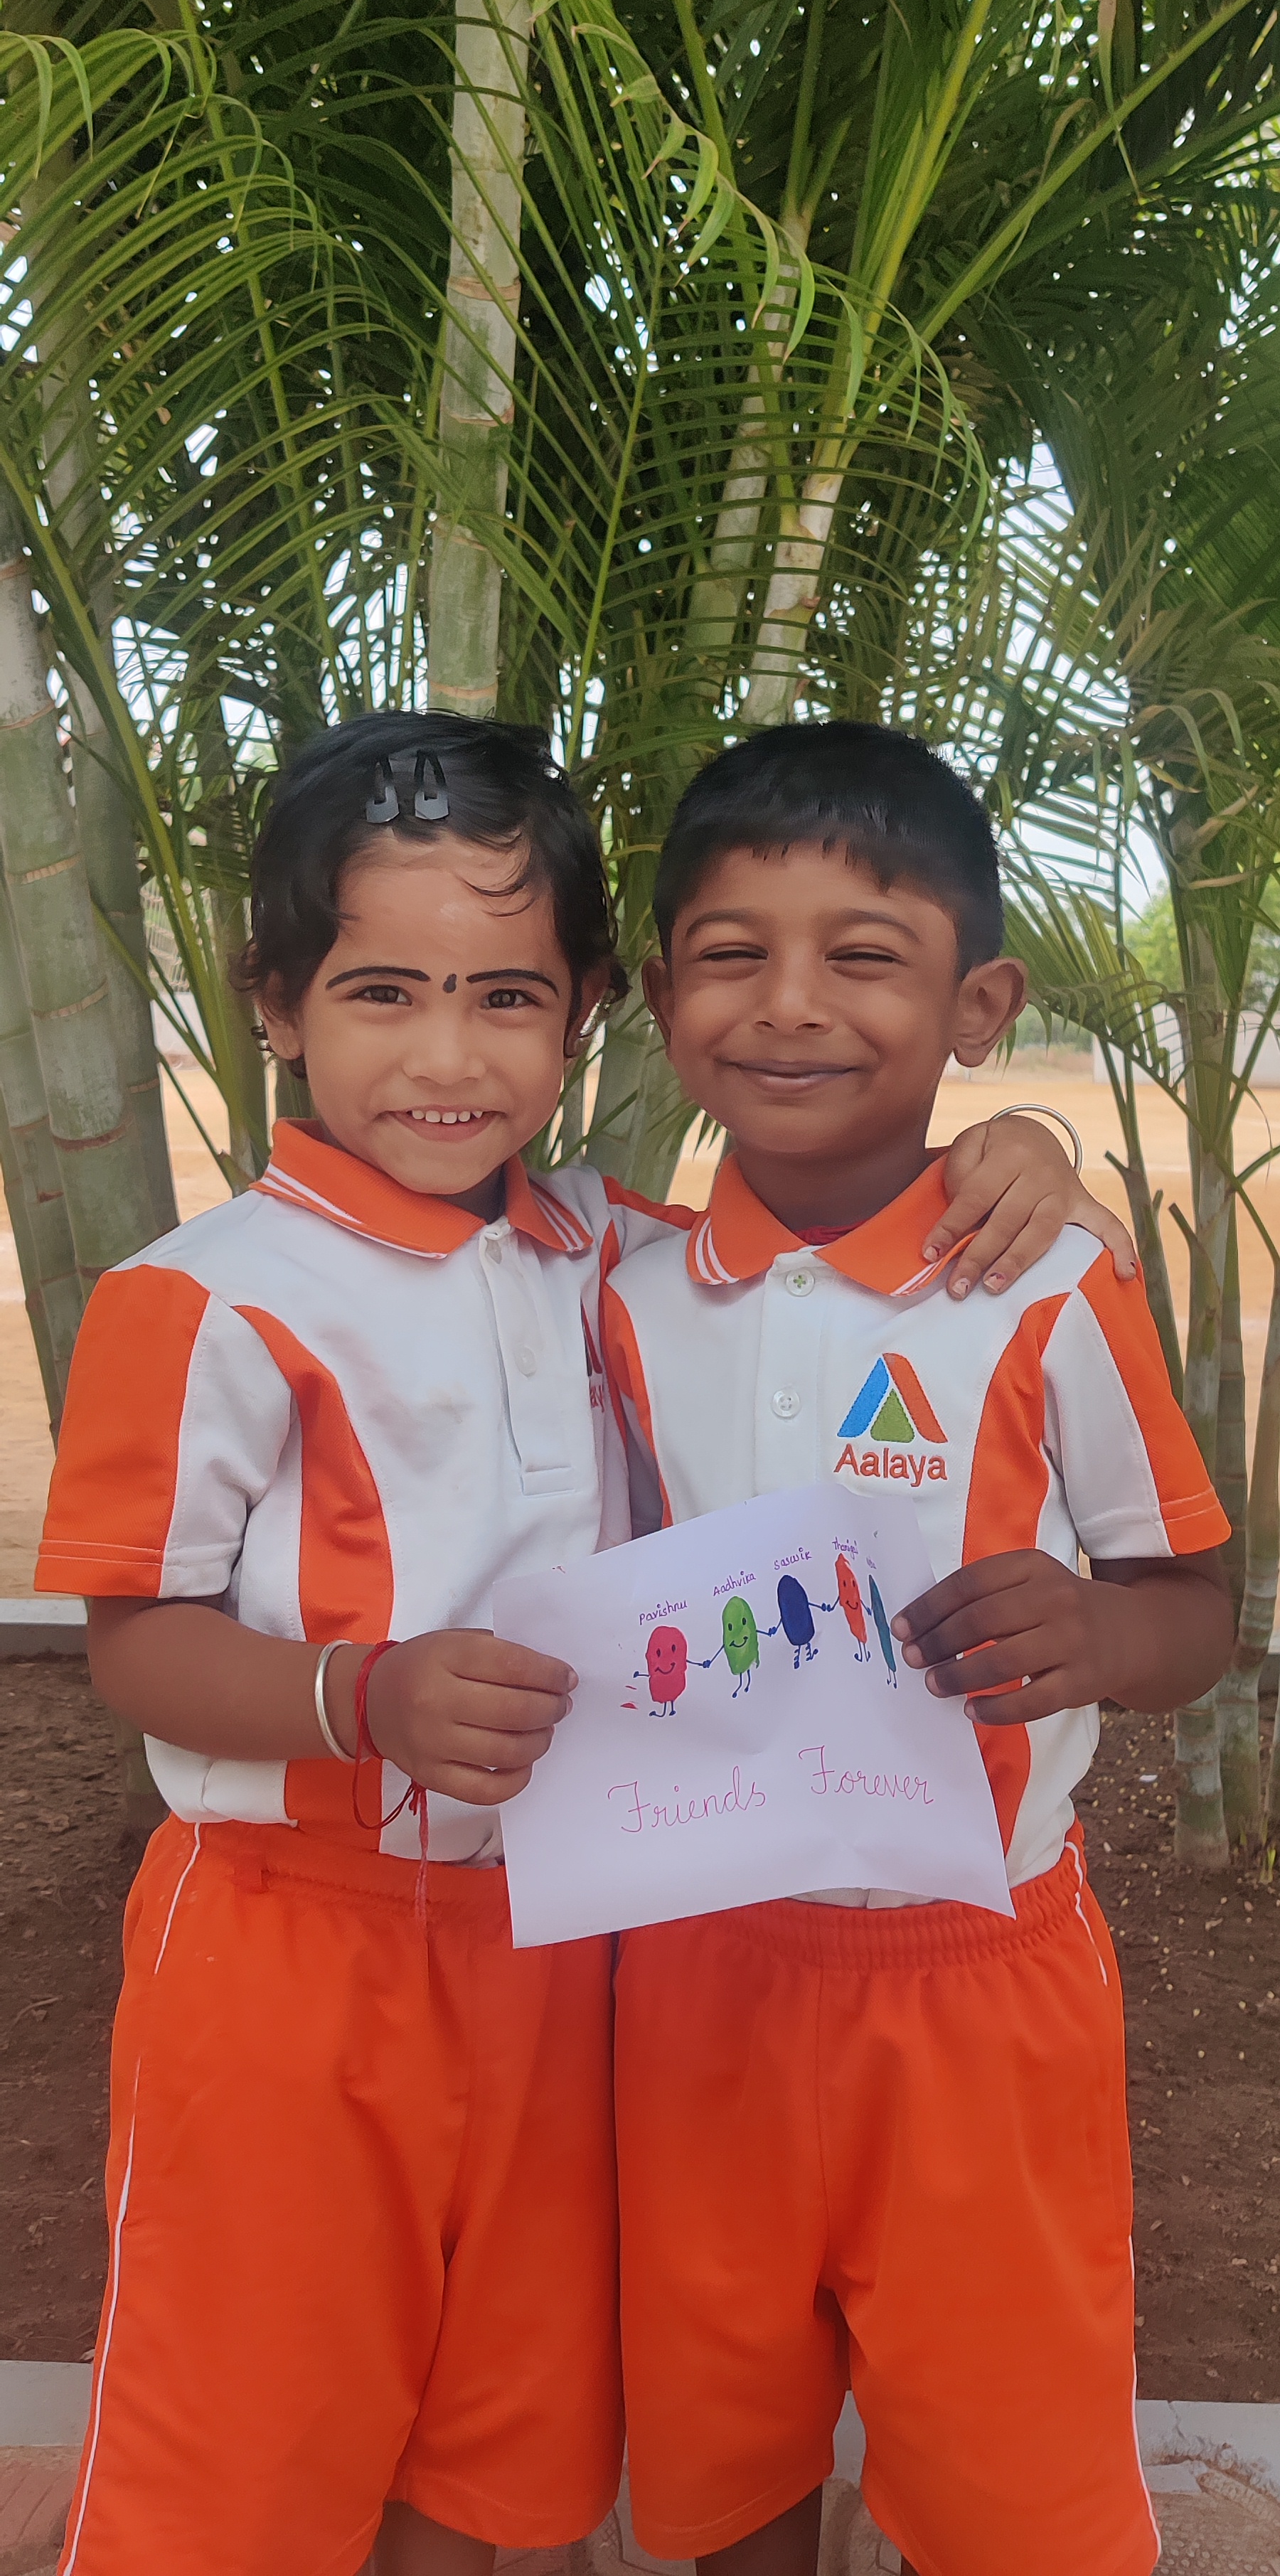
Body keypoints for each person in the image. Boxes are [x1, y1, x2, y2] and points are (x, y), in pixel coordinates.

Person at [37, 708, 1126, 2576]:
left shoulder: (607, 1249)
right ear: (278, 1002)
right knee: (240, 2441)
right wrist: (357, 1696)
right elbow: (133, 1641)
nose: (448, 1056)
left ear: (588, 1010)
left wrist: (1019, 1143)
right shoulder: (199, 1299)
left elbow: (821, 1233)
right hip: (291, 1962)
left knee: (496, 2453)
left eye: (508, 999)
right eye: (382, 993)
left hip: (570, 1958)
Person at [601, 722, 1234, 2576]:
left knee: (1014, 2476)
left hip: (982, 1980)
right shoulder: (610, 1289)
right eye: (732, 953)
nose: (792, 1003)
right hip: (691, 1969)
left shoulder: (1048, 1284)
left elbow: (1198, 1613)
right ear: (660, 996)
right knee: (721, 2459)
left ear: (979, 1005)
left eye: (864, 955)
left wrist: (1096, 1631)